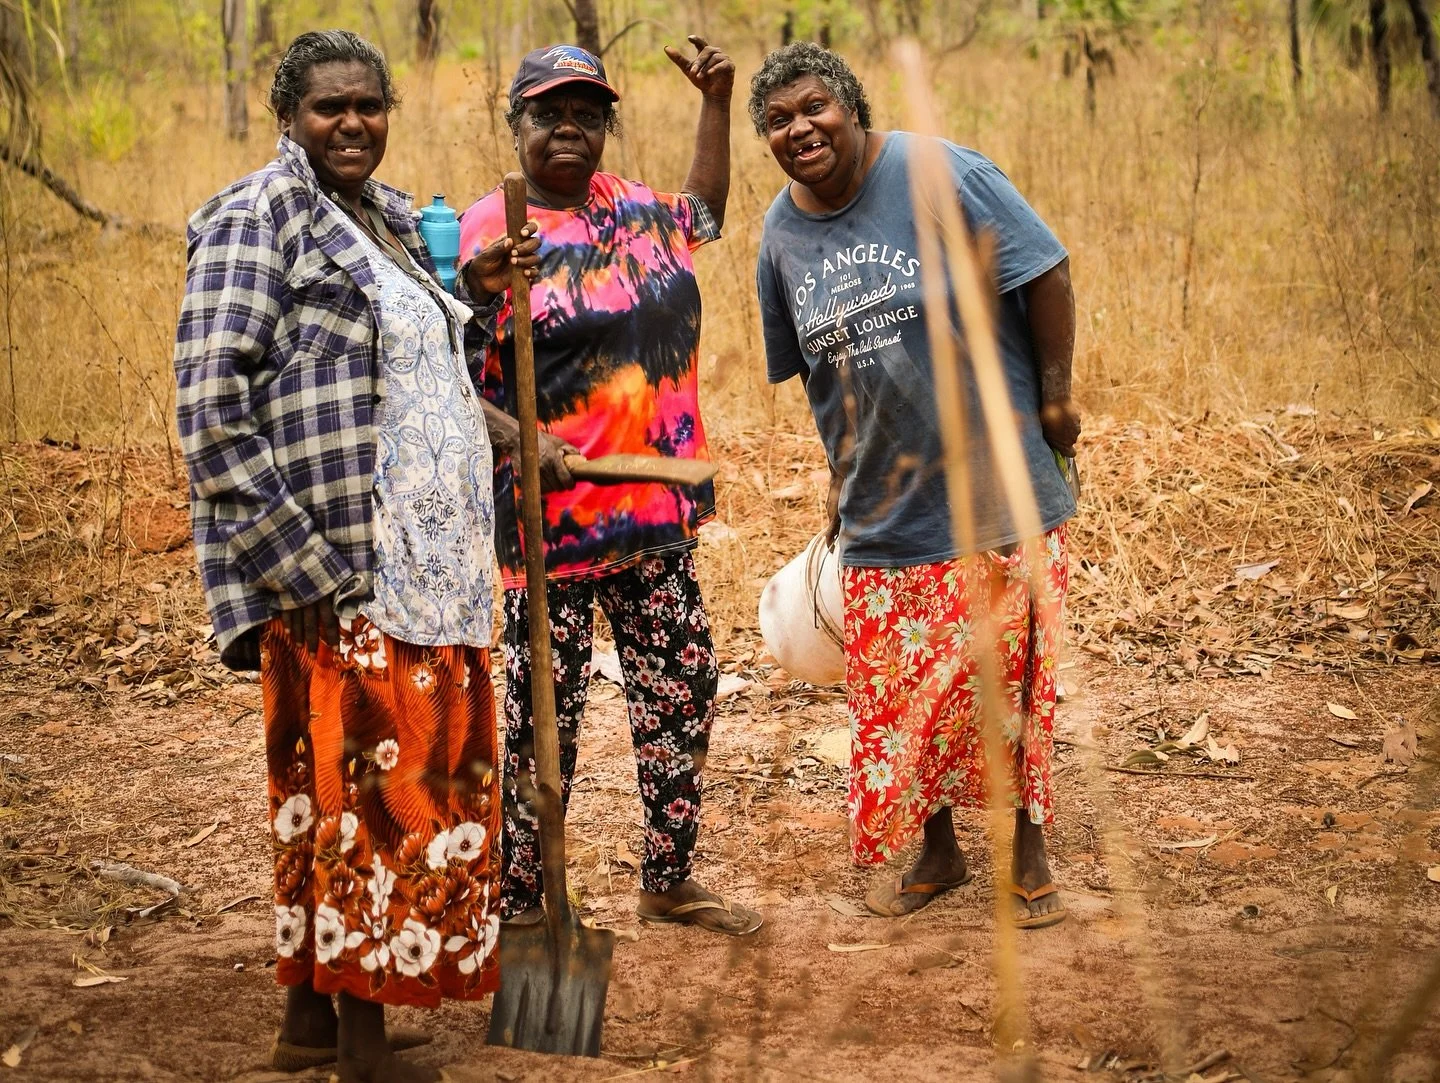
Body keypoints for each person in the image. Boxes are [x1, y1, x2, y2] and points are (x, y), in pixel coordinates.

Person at [175, 31, 505, 1083]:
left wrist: (497, 423)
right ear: (290, 116)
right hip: (345, 574)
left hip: (426, 573)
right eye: (329, 108)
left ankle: (312, 1023)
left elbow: (410, 379)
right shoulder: (254, 216)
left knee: (341, 797)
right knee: (378, 807)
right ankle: (366, 1049)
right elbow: (210, 411)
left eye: (369, 105)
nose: (352, 123)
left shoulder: (392, 220)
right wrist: (298, 564)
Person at [749, 43, 1078, 929]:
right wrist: (838, 482)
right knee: (900, 693)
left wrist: (1055, 400)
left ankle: (1028, 848)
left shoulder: (940, 172)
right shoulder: (780, 234)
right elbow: (820, 378)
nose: (799, 129)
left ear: (851, 107)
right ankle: (938, 845)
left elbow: (1044, 266)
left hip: (998, 487)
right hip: (882, 504)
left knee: (1011, 681)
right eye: (778, 121)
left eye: (814, 108)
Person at [456, 40, 760, 937]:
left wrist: (716, 102)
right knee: (539, 721)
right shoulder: (486, 232)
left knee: (682, 685)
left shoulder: (633, 209)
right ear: (515, 125)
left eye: (587, 113)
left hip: (651, 513)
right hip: (547, 526)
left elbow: (704, 208)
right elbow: (441, 372)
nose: (568, 129)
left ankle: (667, 878)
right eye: (549, 112)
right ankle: (522, 902)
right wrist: (521, 435)